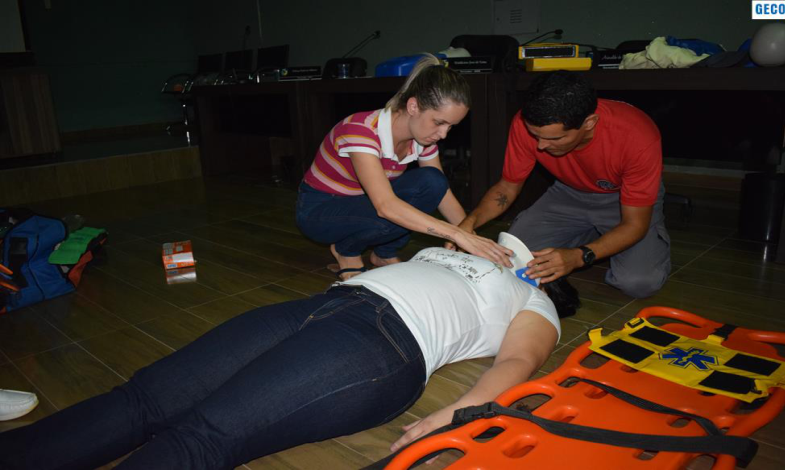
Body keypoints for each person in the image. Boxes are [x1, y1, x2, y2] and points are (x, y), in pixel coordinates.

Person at [0, 237, 577, 470]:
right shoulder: (455, 250)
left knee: (203, 435)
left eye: (531, 260)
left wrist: (451, 416)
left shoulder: (535, 301)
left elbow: (516, 365)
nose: (519, 255)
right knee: (141, 399)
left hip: (385, 345)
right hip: (324, 304)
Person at [455, 71, 670, 298]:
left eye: (555, 139)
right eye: (535, 135)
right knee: (516, 260)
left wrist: (578, 256)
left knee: (638, 282)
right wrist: (468, 224)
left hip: (621, 199)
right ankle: (589, 238)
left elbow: (634, 224)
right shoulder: (527, 123)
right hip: (568, 194)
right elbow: (507, 187)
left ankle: (608, 244)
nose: (540, 146)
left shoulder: (636, 136)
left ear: (589, 123)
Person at [296, 54, 512, 280]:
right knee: (393, 209)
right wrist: (457, 235)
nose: (443, 134)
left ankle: (383, 253)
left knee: (432, 182)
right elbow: (385, 206)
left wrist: (471, 237)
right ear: (413, 106)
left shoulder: (423, 138)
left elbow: (441, 193)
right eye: (439, 122)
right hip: (319, 210)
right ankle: (346, 250)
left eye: (451, 126)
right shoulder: (360, 130)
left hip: (363, 204)